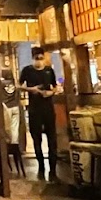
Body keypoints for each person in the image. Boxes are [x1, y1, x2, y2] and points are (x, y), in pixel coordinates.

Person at [18, 47, 62, 181]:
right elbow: (19, 86)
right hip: (34, 109)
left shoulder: (49, 71)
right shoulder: (27, 71)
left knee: (52, 140)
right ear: (33, 58)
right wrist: (31, 89)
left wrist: (51, 92)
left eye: (41, 58)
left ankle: (53, 171)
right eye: (36, 58)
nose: (39, 61)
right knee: (36, 140)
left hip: (48, 109)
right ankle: (41, 168)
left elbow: (55, 87)